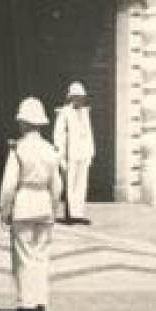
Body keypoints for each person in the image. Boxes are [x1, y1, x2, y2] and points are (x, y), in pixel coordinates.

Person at [0, 97, 62, 311]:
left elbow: (8, 185)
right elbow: (57, 185)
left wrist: (3, 209)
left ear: (24, 123)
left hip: (24, 201)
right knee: (41, 255)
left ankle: (26, 302)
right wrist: (54, 208)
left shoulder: (19, 149)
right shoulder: (50, 149)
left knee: (24, 255)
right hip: (44, 201)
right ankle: (41, 300)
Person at [53, 82, 95, 225]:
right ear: (71, 98)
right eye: (76, 97)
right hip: (70, 154)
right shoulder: (64, 112)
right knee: (70, 184)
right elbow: (59, 134)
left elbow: (89, 133)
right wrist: (61, 154)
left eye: (81, 97)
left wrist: (91, 152)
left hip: (83, 153)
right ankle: (69, 214)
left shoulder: (85, 112)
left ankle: (78, 213)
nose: (79, 100)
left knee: (81, 184)